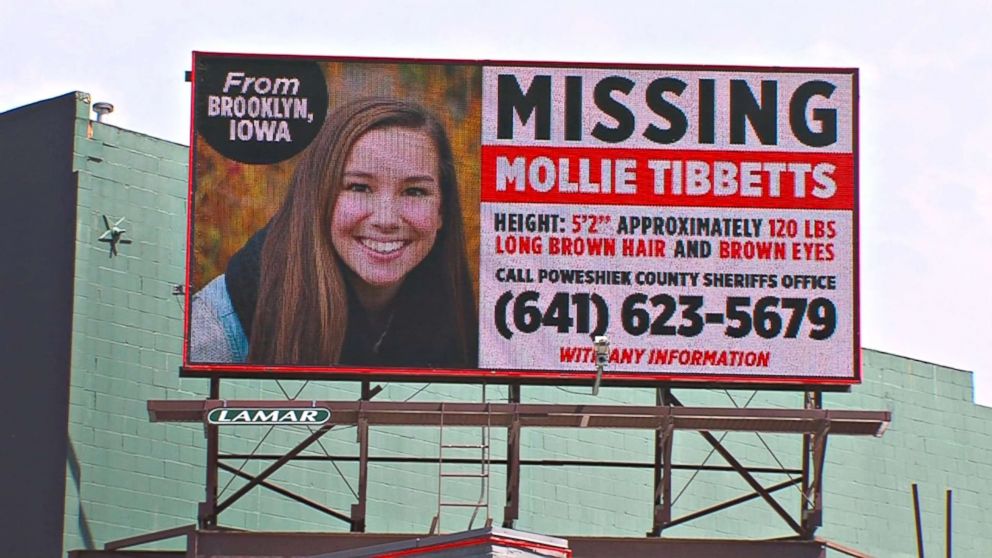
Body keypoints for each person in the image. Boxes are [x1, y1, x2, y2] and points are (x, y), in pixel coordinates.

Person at [190, 98, 478, 368]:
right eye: (359, 187)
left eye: (414, 191)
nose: (386, 219)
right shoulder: (215, 330)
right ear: (319, 198)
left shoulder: (468, 327)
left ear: (442, 211)